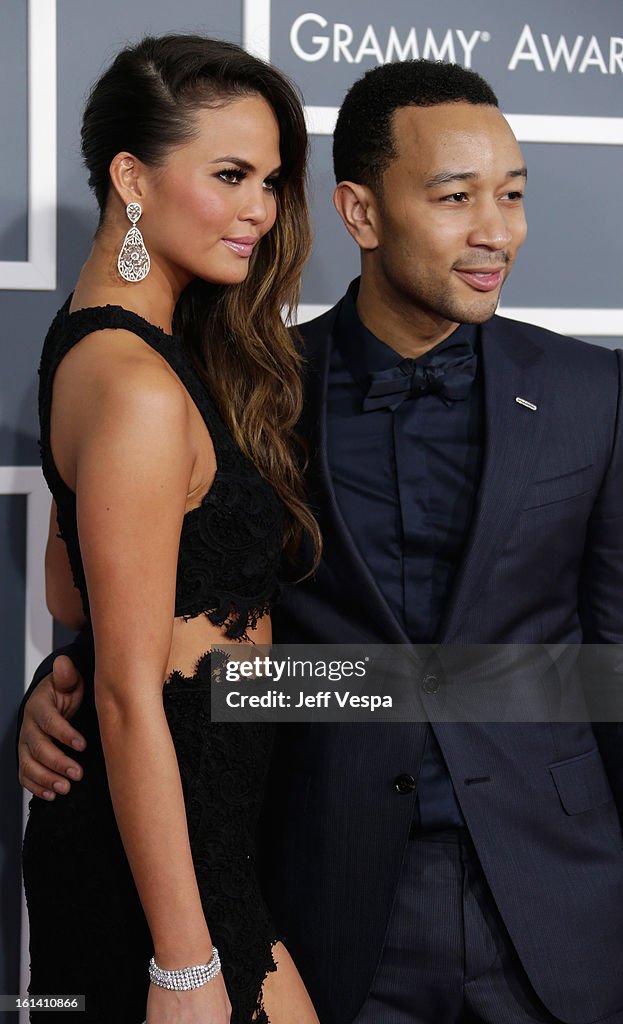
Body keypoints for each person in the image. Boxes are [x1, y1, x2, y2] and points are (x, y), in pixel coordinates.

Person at [18, 58, 623, 1024]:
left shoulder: (594, 396)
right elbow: (169, 609)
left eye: (511, 195)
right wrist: (65, 698)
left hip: (554, 893)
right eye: (456, 195)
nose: (494, 230)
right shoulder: (250, 387)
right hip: (330, 892)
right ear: (361, 212)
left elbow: (608, 661)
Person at [18, 33, 320, 1024]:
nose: (259, 211)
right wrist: (184, 966)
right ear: (130, 178)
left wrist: (56, 676)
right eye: (229, 175)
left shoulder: (105, 343)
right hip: (164, 885)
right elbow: (125, 689)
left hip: (201, 845)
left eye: (270, 180)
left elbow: (77, 599)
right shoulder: (139, 385)